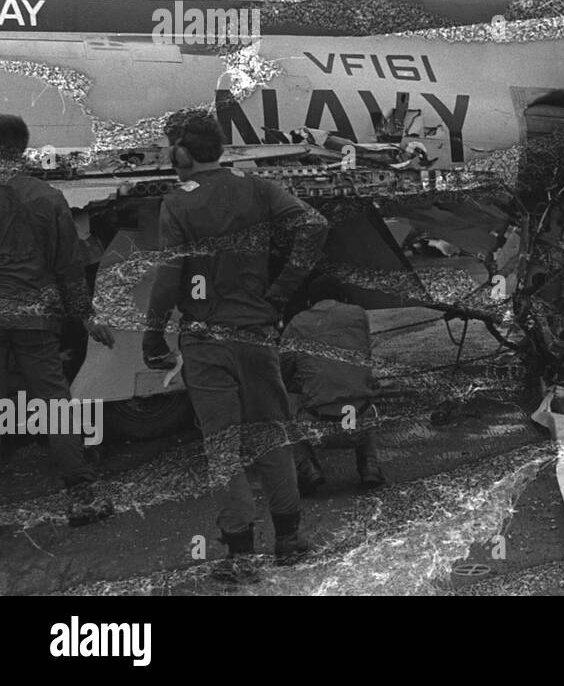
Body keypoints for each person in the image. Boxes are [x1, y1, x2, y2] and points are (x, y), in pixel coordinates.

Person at [143, 109, 327, 579]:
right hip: (257, 336)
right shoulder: (257, 188)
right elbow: (314, 226)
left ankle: (242, 556)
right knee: (271, 436)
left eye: (170, 144)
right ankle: (289, 539)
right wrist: (282, 291)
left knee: (224, 448)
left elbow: (169, 276)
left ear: (181, 151)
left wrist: (153, 330)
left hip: (206, 342)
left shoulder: (178, 202)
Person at [0, 114, 116, 526]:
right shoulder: (46, 198)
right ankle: (82, 497)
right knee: (53, 404)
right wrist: (85, 317)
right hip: (35, 318)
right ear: (23, 148)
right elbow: (69, 268)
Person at [280, 275, 385, 493]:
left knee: (282, 406)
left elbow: (282, 370)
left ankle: (308, 469)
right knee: (364, 397)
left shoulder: (297, 323)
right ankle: (370, 466)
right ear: (342, 297)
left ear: (309, 302)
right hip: (359, 423)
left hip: (319, 430)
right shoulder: (358, 315)